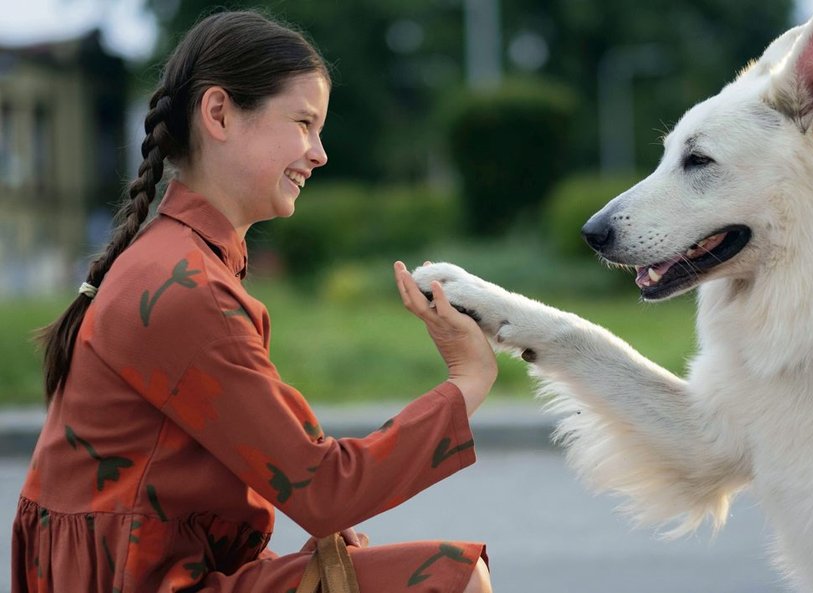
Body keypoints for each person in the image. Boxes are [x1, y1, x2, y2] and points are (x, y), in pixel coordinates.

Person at [12, 10, 497, 593]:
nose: (319, 153)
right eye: (302, 123)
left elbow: (301, 473)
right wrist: (467, 377)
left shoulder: (179, 264)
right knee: (451, 579)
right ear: (218, 113)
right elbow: (325, 491)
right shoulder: (182, 286)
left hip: (159, 574)